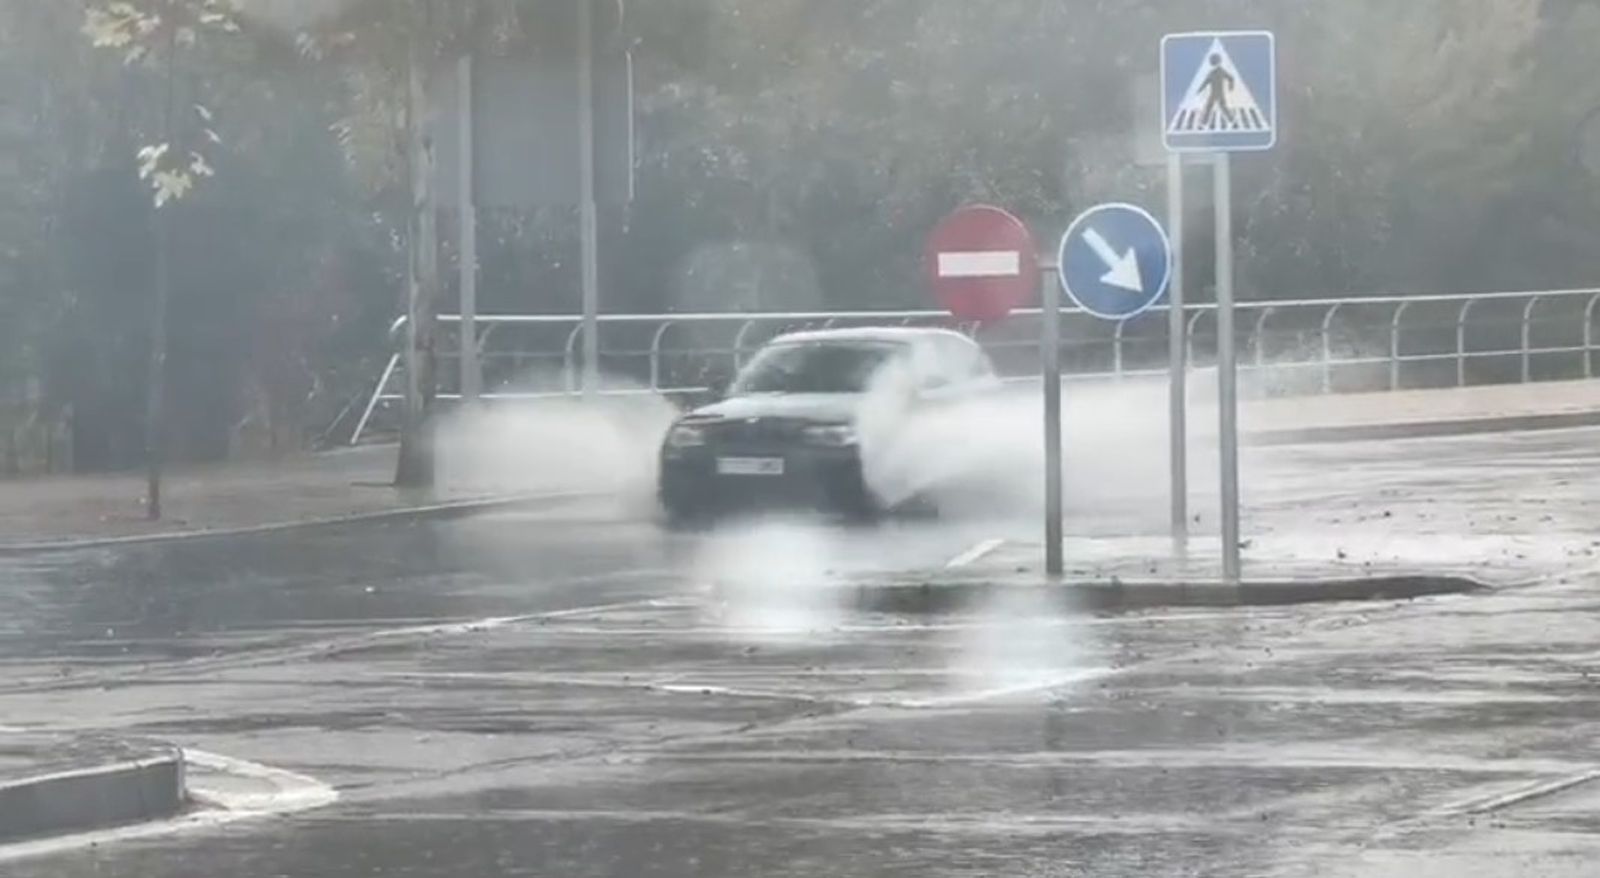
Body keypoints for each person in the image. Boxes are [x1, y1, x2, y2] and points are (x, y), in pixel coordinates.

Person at [1200, 53, 1234, 127]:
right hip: (1215, 94)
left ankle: (1204, 122)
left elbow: (1231, 78)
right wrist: (1200, 89)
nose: (1213, 64)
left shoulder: (1220, 71)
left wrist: (1230, 87)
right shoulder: (1213, 72)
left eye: (1214, 62)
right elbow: (1206, 82)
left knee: (1217, 107)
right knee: (1213, 107)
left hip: (1217, 94)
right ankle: (1204, 122)